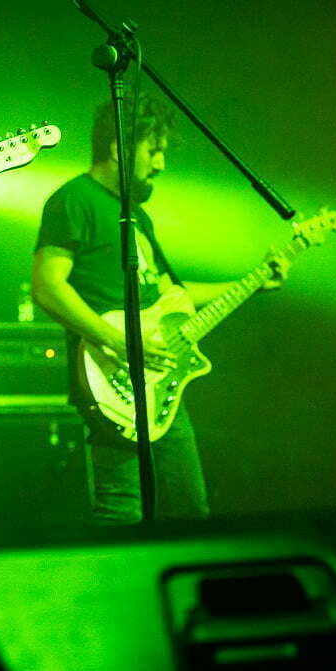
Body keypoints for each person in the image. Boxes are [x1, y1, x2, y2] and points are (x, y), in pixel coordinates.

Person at [31, 97, 288, 525]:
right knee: (122, 511)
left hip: (158, 381)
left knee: (190, 508)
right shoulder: (74, 199)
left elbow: (175, 296)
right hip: (111, 377)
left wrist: (255, 281)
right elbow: (47, 286)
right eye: (154, 150)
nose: (162, 164)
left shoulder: (137, 217)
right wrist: (119, 341)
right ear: (119, 149)